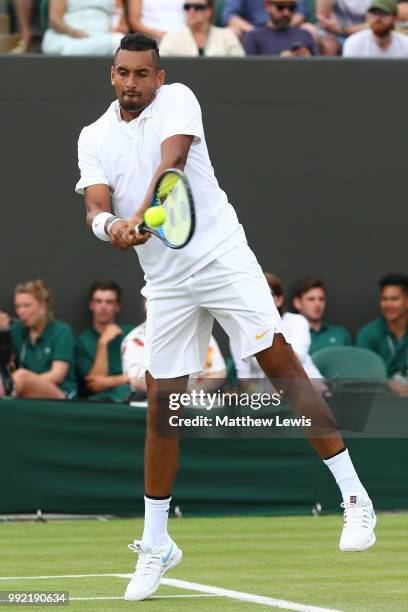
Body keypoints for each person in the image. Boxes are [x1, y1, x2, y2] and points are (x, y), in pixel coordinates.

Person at [76, 33, 376, 602]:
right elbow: (95, 203)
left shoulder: (180, 98)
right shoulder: (94, 136)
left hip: (220, 256)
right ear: (111, 76)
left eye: (143, 73)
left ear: (158, 77)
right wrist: (108, 227)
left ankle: (355, 498)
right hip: (164, 281)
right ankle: (157, 544)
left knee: (279, 363)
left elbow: (174, 162)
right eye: (123, 73)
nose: (133, 82)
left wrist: (136, 215)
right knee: (163, 406)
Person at [122, 303, 227, 398]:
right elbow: (137, 382)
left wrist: (191, 392)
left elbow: (219, 373)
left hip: (195, 400)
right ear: (147, 305)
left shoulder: (200, 333)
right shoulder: (135, 339)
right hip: (151, 401)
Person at [231, 273, 322, 379]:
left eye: (266, 295)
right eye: (254, 296)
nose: (259, 301)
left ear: (279, 300)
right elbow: (244, 376)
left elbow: (294, 360)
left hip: (312, 389)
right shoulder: (240, 331)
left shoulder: (297, 321)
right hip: (267, 394)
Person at [0, 280, 77, 399]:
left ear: (43, 305)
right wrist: (3, 331)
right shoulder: (17, 330)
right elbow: (4, 366)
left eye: (26, 305)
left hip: (61, 396)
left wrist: (25, 382)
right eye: (18, 306)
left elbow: (57, 375)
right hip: (26, 396)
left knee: (21, 376)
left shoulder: (61, 331)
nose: (21, 311)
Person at [76, 281, 134, 402]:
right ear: (91, 305)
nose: (103, 306)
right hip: (99, 402)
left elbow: (144, 375)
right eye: (98, 301)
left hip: (131, 398)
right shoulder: (82, 341)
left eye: (109, 302)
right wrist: (102, 343)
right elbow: (95, 385)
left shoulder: (132, 334)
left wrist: (111, 381)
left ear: (117, 306)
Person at [356, 274, 408, 383]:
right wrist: (388, 385)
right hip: (381, 396)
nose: (388, 304)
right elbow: (364, 376)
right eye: (384, 299)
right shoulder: (367, 334)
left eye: (394, 299)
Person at [160, 0, 245, 57]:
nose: (191, 11)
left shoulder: (227, 37)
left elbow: (240, 67)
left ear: (209, 11)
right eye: (187, 7)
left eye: (197, 7)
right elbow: (161, 67)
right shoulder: (171, 38)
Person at [42, 0, 128, 56]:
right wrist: (73, 32)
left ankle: (76, 51)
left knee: (120, 42)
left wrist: (114, 28)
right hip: (68, 37)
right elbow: (54, 19)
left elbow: (122, 24)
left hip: (103, 38)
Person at [291, 277, 352, 355]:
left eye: (321, 299)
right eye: (311, 299)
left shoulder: (340, 334)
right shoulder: (288, 335)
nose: (317, 304)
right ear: (297, 303)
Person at [243, 0, 318, 56]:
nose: (286, 13)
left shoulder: (305, 34)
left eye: (291, 8)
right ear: (267, 6)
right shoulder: (254, 36)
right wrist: (280, 61)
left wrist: (308, 60)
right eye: (280, 7)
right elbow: (249, 71)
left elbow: (319, 68)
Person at [343, 0, 408, 57]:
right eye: (374, 13)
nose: (378, 19)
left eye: (383, 14)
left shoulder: (405, 44)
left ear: (395, 18)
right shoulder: (353, 43)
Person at [222, 0, 310, 37]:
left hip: (287, 27)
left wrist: (280, 28)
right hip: (251, 31)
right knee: (231, 32)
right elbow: (230, 16)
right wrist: (255, 32)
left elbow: (301, 13)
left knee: (309, 29)